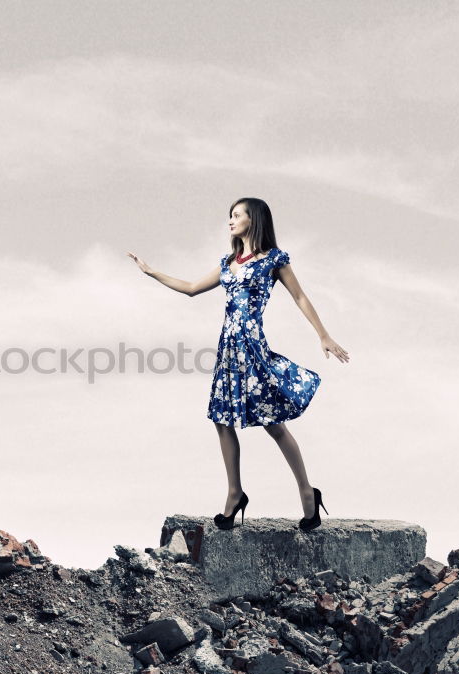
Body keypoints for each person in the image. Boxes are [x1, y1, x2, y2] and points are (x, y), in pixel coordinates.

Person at [126, 197, 349, 532]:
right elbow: (190, 288)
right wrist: (151, 271)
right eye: (229, 216)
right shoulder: (229, 262)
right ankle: (235, 493)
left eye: (236, 215)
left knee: (274, 424)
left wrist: (324, 335)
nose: (230, 220)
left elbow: (300, 297)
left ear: (254, 219)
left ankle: (306, 491)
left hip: (252, 347)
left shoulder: (274, 260)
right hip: (228, 350)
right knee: (221, 420)